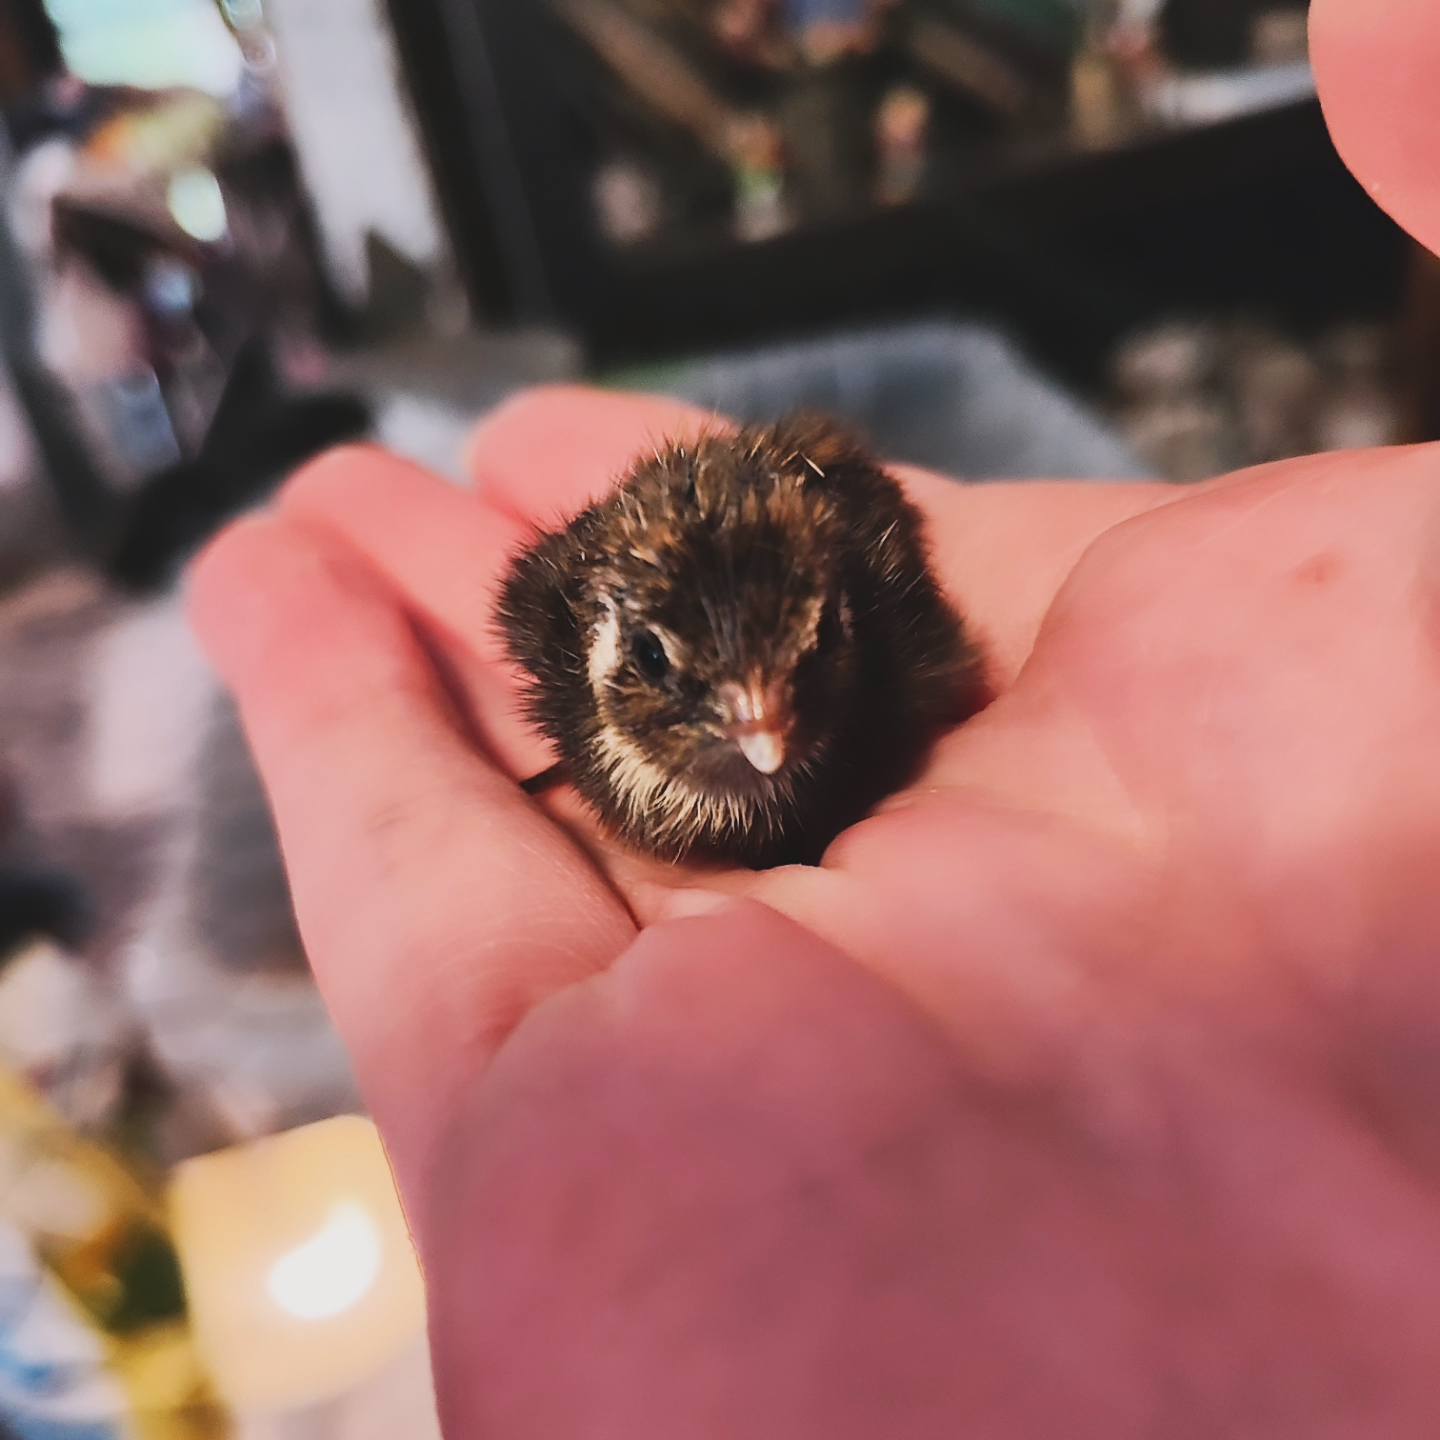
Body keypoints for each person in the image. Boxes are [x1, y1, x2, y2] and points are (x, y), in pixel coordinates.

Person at [189, 1, 1440, 1432]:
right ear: (610, 657)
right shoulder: (573, 621)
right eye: (695, 686)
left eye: (800, 674)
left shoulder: (870, 624)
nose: (775, 737)